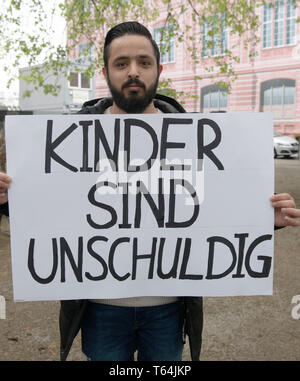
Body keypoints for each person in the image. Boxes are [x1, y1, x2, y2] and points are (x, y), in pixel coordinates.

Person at [0, 21, 300, 362]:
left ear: (158, 69)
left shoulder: (192, 136)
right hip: (100, 310)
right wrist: (12, 203)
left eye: (144, 62)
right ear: (105, 72)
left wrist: (265, 218)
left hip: (168, 310)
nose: (133, 72)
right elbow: (55, 210)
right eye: (121, 63)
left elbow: (215, 208)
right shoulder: (72, 139)